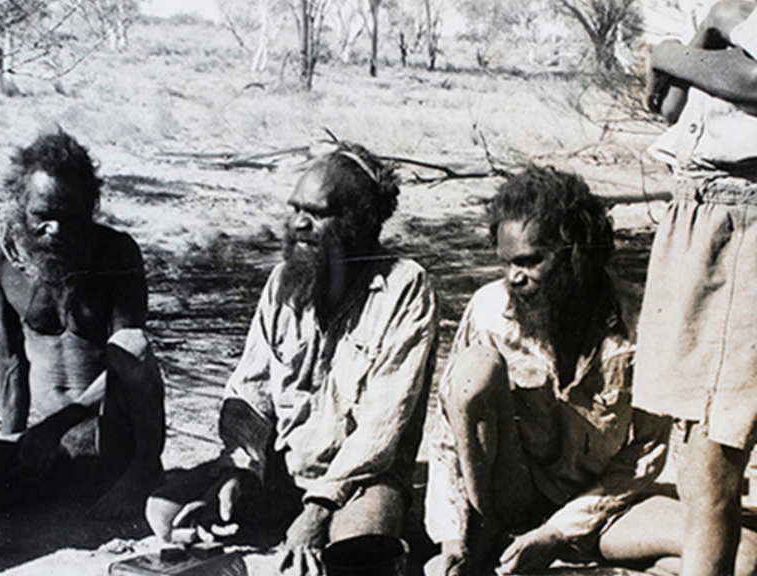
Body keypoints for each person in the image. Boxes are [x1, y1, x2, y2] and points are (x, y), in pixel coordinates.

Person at [423, 166, 757, 576]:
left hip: (601, 505)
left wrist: (557, 532)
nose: (514, 277)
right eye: (507, 263)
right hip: (514, 497)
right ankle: (492, 540)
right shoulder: (489, 310)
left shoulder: (640, 322)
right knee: (473, 372)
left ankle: (573, 559)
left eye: (530, 261)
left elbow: (646, 455)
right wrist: (451, 538)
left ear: (576, 253)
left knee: (743, 558)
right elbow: (446, 439)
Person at [146, 143, 439, 575]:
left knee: (356, 552)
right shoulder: (284, 280)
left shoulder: (405, 288)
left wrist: (319, 509)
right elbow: (250, 390)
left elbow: (382, 429)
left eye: (317, 213)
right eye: (295, 209)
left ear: (359, 221)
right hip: (281, 473)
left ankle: (381, 531)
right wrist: (238, 472)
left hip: (359, 481)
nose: (299, 224)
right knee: (167, 511)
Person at [0, 129, 165, 519]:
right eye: (42, 217)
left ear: (90, 207)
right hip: (50, 441)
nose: (55, 231)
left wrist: (56, 425)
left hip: (109, 436)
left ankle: (142, 470)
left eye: (69, 218)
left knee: (133, 344)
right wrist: (16, 441)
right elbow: (9, 358)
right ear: (19, 204)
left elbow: (129, 362)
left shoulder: (116, 253)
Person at [637, 2, 757, 575]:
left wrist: (672, 53)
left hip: (742, 229)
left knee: (711, 460)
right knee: (698, 456)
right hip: (703, 222)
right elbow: (667, 104)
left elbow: (755, 81)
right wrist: (706, 33)